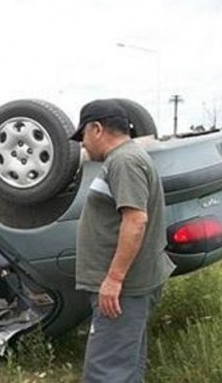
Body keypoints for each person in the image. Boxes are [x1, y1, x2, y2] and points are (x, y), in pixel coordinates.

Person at [70, 99, 175, 382]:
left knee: (106, 372)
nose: (83, 145)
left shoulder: (124, 161)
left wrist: (114, 279)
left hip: (122, 291)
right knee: (124, 368)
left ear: (97, 128)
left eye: (83, 137)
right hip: (127, 288)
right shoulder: (127, 158)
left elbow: (135, 220)